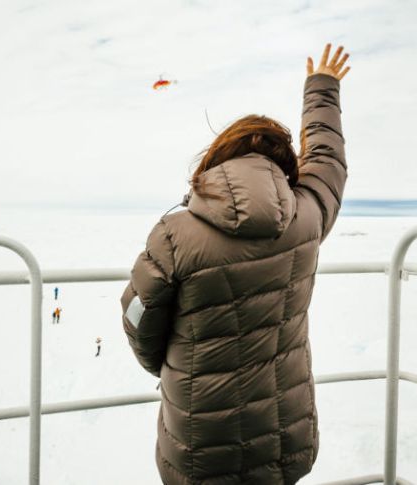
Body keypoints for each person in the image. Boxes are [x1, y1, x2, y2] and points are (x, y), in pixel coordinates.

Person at [120, 43, 350, 485]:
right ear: (287, 166)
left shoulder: (175, 234)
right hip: (286, 436)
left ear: (216, 158)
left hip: (199, 444)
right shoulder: (307, 218)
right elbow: (328, 161)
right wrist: (322, 89)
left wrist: (173, 369)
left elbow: (137, 319)